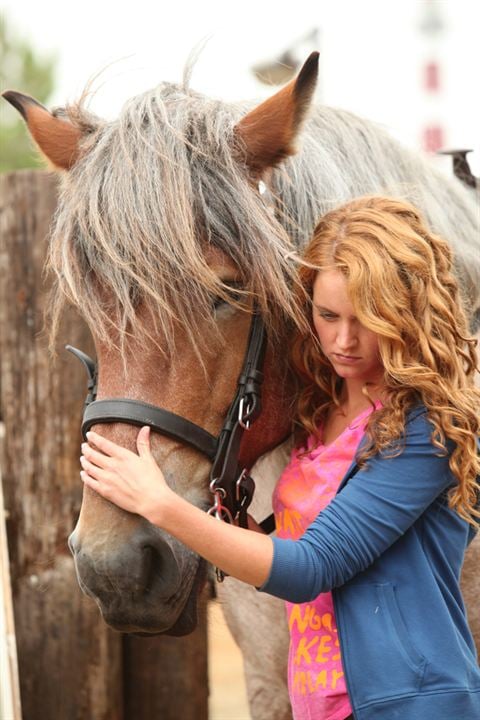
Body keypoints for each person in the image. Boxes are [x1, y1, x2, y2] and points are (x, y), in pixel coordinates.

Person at [79, 196, 480, 720]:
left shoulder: (424, 426)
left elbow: (315, 566)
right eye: (327, 314)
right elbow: (309, 545)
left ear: (406, 314)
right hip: (325, 702)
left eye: (368, 318)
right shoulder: (322, 413)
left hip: (411, 704)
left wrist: (161, 505)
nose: (343, 340)